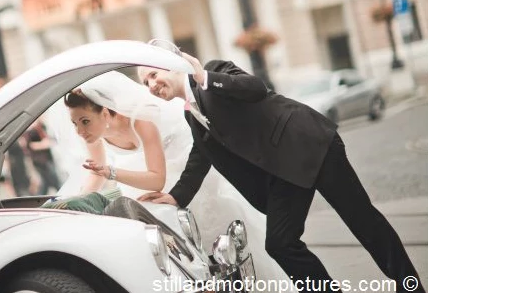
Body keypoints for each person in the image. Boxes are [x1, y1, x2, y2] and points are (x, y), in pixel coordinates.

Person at [137, 50, 425, 293]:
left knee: (363, 220)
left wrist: (204, 77)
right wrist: (175, 197)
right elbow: (201, 157)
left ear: (172, 64)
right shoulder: (191, 114)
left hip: (309, 144)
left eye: (152, 75)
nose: (151, 85)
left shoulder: (213, 72)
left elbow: (254, 88)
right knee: (280, 243)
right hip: (281, 173)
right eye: (144, 82)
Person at [51, 70, 291, 285]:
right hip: (140, 193)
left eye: (85, 121)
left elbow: (157, 179)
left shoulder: (141, 120)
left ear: (105, 111)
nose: (80, 131)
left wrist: (111, 172)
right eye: (74, 124)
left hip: (177, 180)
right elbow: (95, 177)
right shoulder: (94, 136)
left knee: (210, 250)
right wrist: (75, 203)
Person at [23, 118, 61, 193]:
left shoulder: (42, 126)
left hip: (47, 158)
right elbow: (30, 146)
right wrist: (44, 144)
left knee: (46, 183)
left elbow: (50, 139)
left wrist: (48, 142)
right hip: (40, 161)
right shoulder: (30, 131)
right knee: (54, 180)